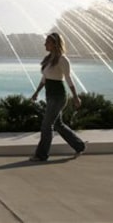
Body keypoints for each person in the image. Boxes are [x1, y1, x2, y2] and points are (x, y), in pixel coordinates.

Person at [29, 32, 86, 161]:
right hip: (50, 96)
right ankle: (79, 146)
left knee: (46, 125)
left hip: (58, 96)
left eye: (47, 42)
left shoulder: (62, 60)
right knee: (58, 125)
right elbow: (44, 78)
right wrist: (36, 92)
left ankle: (41, 155)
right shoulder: (49, 59)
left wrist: (76, 97)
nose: (45, 44)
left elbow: (68, 79)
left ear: (55, 44)